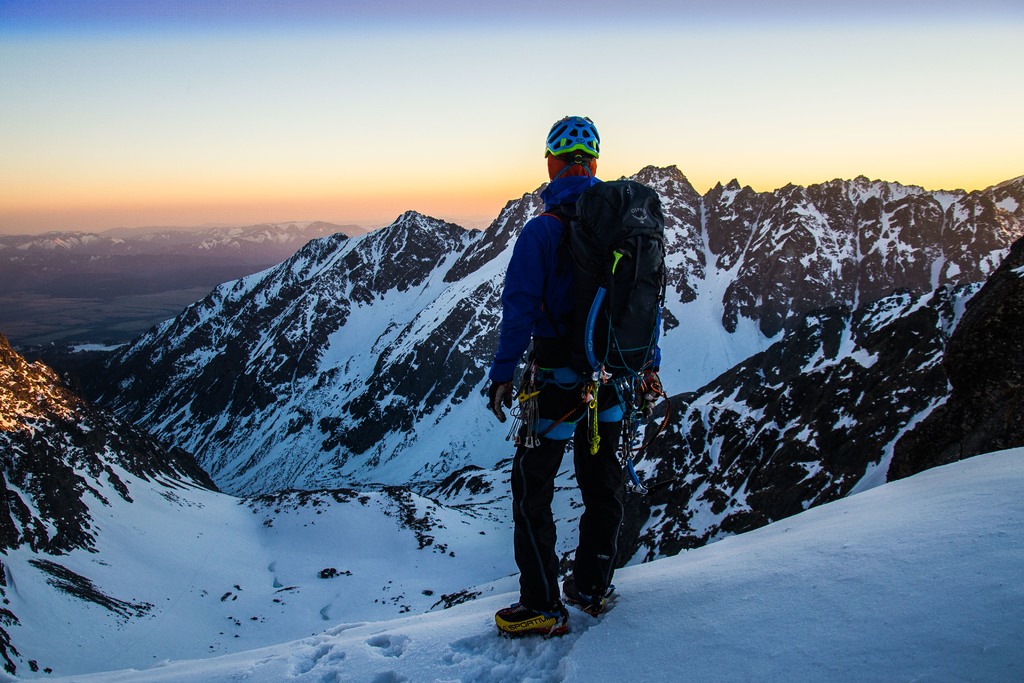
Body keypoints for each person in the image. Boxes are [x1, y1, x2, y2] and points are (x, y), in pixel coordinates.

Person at [486, 115, 633, 637]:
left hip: (555, 382)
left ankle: (542, 603)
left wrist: (502, 374)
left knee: (532, 490)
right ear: (594, 163)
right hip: (611, 379)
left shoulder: (542, 231)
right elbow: (644, 304)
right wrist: (649, 366)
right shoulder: (624, 227)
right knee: (602, 483)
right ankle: (593, 586)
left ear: (552, 163)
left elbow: (519, 310)